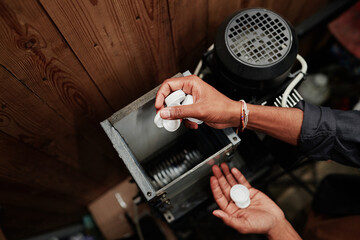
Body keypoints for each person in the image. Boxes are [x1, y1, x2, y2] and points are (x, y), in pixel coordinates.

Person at [154, 75, 360, 238]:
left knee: (322, 232)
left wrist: (278, 228)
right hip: (346, 203)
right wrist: (237, 112)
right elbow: (340, 132)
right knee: (322, 221)